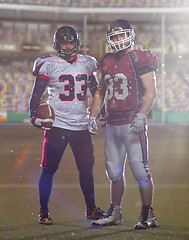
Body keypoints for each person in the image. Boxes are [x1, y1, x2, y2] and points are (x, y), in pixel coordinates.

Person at [29, 25, 106, 225]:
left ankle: (91, 209)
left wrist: (102, 114)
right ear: (57, 44)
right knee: (48, 169)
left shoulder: (88, 63)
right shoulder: (48, 63)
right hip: (58, 125)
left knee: (86, 169)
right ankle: (43, 212)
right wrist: (32, 115)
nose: (68, 46)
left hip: (81, 125)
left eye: (71, 42)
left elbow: (96, 90)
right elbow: (36, 93)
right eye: (64, 42)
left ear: (77, 43)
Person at [88, 19, 158, 229]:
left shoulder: (140, 57)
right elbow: (101, 91)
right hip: (112, 123)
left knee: (139, 170)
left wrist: (141, 115)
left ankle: (148, 215)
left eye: (122, 35)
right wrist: (92, 116)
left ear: (130, 35)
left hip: (132, 122)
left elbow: (151, 91)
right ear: (110, 39)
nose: (119, 40)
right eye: (115, 36)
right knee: (114, 171)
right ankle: (115, 212)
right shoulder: (106, 61)